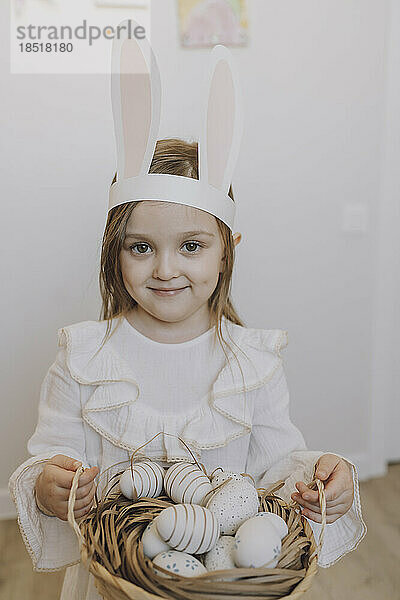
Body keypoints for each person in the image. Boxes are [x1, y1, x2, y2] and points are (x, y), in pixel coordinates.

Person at [9, 29, 366, 600]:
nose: (165, 270)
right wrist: (52, 486)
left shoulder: (253, 364)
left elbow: (277, 469)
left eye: (192, 246)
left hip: (224, 584)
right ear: (113, 250)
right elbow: (50, 459)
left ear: (229, 249)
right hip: (116, 583)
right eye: (141, 246)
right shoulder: (82, 358)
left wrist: (320, 478)